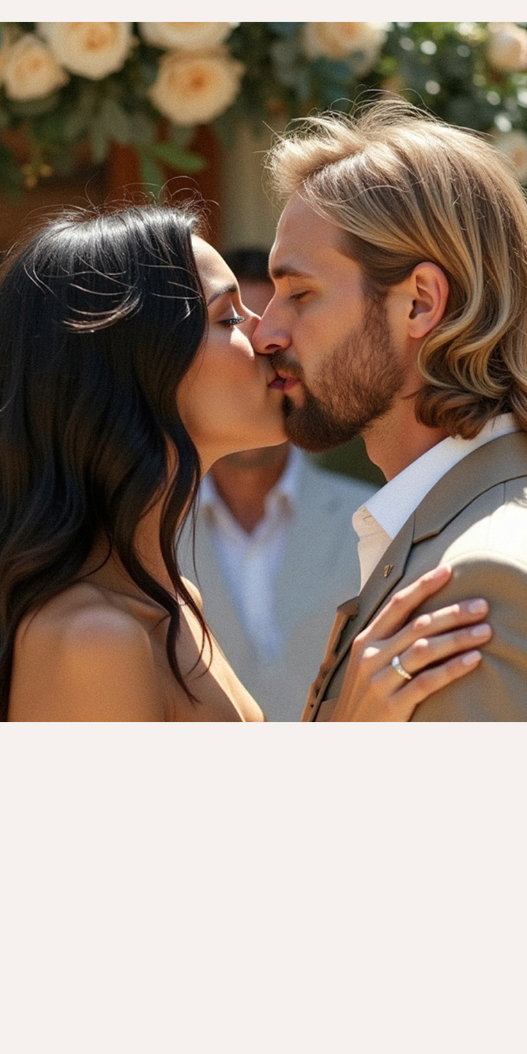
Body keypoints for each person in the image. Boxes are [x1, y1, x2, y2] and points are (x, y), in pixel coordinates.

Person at [0, 204, 489, 721]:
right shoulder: (92, 638)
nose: (269, 336)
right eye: (228, 319)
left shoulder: (175, 600)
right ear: (135, 370)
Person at [254, 101, 527, 722]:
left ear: (420, 303)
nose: (265, 332)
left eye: (300, 293)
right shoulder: (488, 538)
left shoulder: (485, 582)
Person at [180, 246, 380, 721]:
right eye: (230, 323)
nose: (261, 350)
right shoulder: (140, 541)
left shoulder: (378, 524)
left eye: (271, 341)